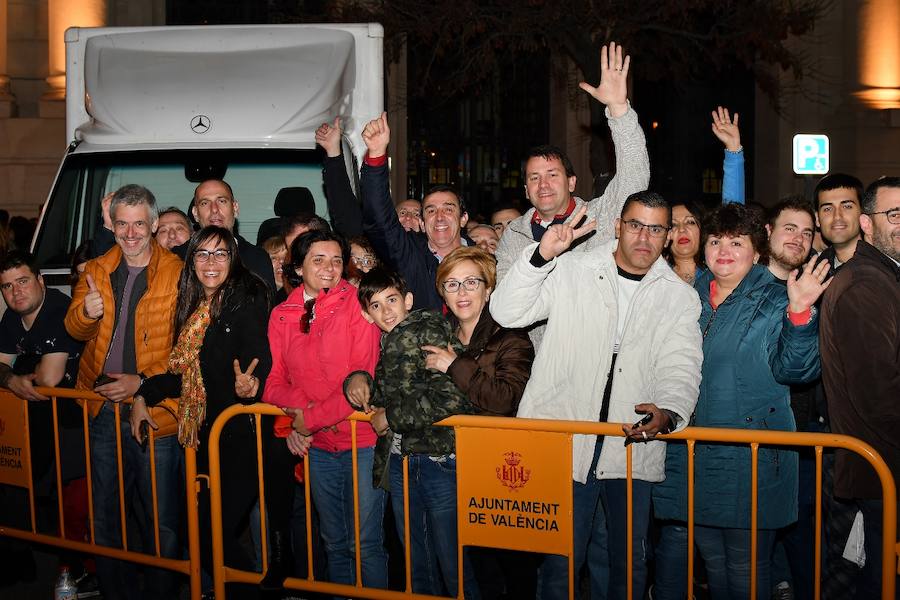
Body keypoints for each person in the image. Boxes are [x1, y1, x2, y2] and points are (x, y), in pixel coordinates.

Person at [490, 192, 703, 600]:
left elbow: (682, 366)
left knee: (625, 567)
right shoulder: (572, 269)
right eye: (636, 225)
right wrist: (540, 256)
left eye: (656, 228)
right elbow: (506, 312)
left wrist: (671, 412)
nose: (644, 236)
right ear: (618, 226)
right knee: (559, 566)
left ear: (667, 236)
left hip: (630, 451)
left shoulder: (679, 297)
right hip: (562, 448)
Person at [653, 202, 829, 600]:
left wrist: (800, 313)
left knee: (747, 571)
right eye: (715, 240)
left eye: (737, 241)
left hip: (751, 459)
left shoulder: (775, 297)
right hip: (693, 455)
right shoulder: (686, 296)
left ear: (757, 251)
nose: (724, 250)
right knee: (714, 567)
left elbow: (796, 371)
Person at [129, 226, 271, 599]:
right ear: (191, 261)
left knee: (210, 533)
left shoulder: (247, 296)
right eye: (203, 254)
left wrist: (252, 384)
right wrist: (143, 394)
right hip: (207, 437)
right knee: (204, 533)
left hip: (241, 436)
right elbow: (184, 378)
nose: (211, 262)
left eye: (221, 254)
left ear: (233, 259)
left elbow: (257, 351)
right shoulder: (194, 310)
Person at [63, 184, 184, 600]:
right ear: (111, 226)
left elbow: (184, 346)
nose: (130, 233)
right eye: (122, 224)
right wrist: (85, 313)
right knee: (106, 514)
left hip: (154, 406)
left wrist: (142, 385)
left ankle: (162, 592)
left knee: (161, 517)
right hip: (100, 406)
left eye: (138, 224)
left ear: (153, 225)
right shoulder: (94, 269)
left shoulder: (178, 271)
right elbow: (73, 330)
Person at [495, 43, 649, 349]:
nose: (544, 184)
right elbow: (508, 303)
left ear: (572, 182)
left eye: (553, 175)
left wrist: (619, 111)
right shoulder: (514, 236)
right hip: (545, 367)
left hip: (602, 355)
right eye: (534, 178)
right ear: (526, 191)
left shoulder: (600, 216)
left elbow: (634, 176)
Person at [262, 229, 386, 591]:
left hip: (362, 442)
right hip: (319, 449)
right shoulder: (282, 314)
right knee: (333, 543)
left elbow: (358, 382)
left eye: (336, 260)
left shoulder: (358, 303)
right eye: (319, 260)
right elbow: (273, 383)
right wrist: (299, 423)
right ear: (297, 267)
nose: (330, 268)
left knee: (365, 545)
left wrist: (307, 421)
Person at [345, 268, 478, 597]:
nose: (386, 310)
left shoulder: (427, 329)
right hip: (404, 460)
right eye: (375, 306)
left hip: (438, 461)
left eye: (391, 300)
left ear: (408, 300)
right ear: (366, 314)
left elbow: (451, 396)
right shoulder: (390, 339)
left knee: (453, 563)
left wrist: (390, 417)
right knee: (418, 564)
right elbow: (390, 392)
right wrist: (357, 381)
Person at [424, 246, 536, 598]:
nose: (462, 292)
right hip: (453, 465)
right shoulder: (439, 335)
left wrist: (453, 366)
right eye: (452, 284)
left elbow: (505, 400)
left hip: (501, 467)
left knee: (510, 565)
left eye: (471, 282)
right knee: (468, 564)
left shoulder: (511, 336)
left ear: (488, 289)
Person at [820, 177, 900, 599]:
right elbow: (878, 396)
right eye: (894, 214)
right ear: (868, 225)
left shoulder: (884, 275)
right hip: (883, 469)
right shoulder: (868, 284)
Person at [0, 250, 90, 589]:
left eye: (22, 281)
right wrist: (12, 379)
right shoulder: (13, 316)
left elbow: (49, 379)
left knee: (76, 503)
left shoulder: (57, 310)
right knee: (21, 493)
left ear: (40, 280)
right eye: (7, 287)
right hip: (36, 425)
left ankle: (79, 570)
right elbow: (2, 366)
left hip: (73, 422)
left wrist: (17, 372)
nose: (16, 292)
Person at [360, 112, 472, 311]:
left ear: (463, 219)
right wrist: (377, 154)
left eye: (448, 209)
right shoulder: (410, 255)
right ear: (421, 223)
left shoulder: (484, 258)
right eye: (430, 211)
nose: (439, 217)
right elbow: (379, 219)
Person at [175, 179, 276, 289]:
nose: (214, 209)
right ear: (195, 214)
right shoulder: (178, 258)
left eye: (222, 201)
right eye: (205, 203)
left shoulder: (257, 258)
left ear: (235, 208)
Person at [813, 173, 864, 273]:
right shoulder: (813, 271)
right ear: (817, 219)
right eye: (827, 209)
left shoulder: (885, 268)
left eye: (847, 207)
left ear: (863, 214)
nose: (837, 216)